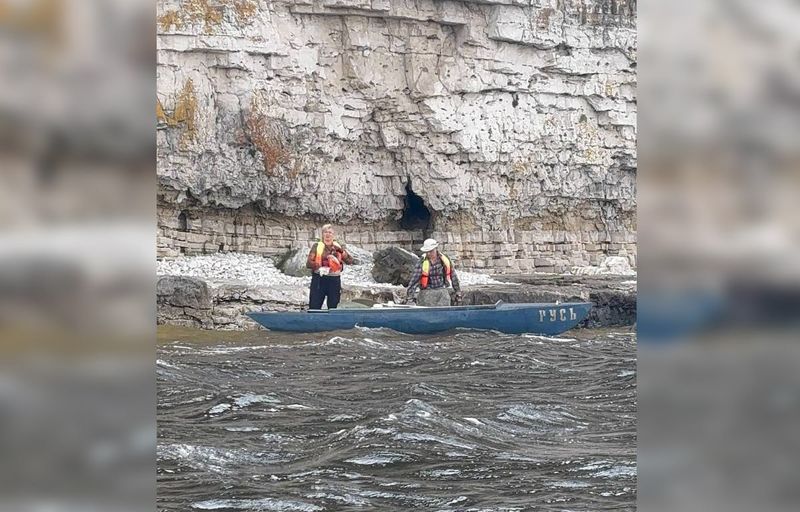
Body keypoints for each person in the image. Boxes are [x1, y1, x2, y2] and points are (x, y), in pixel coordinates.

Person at [306, 224, 353, 309]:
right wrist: (319, 266)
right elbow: (308, 263)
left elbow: (350, 261)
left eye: (330, 232)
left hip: (334, 280)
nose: (328, 234)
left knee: (333, 307)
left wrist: (342, 252)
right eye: (325, 232)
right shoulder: (316, 246)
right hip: (319, 279)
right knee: (314, 306)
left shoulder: (338, 247)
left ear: (333, 235)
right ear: (322, 234)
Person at [406, 238, 462, 306]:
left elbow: (453, 276)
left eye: (431, 251)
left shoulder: (444, 260)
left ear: (436, 248)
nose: (429, 253)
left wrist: (458, 292)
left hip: (442, 291)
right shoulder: (421, 262)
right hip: (426, 292)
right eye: (427, 251)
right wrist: (410, 298)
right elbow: (414, 280)